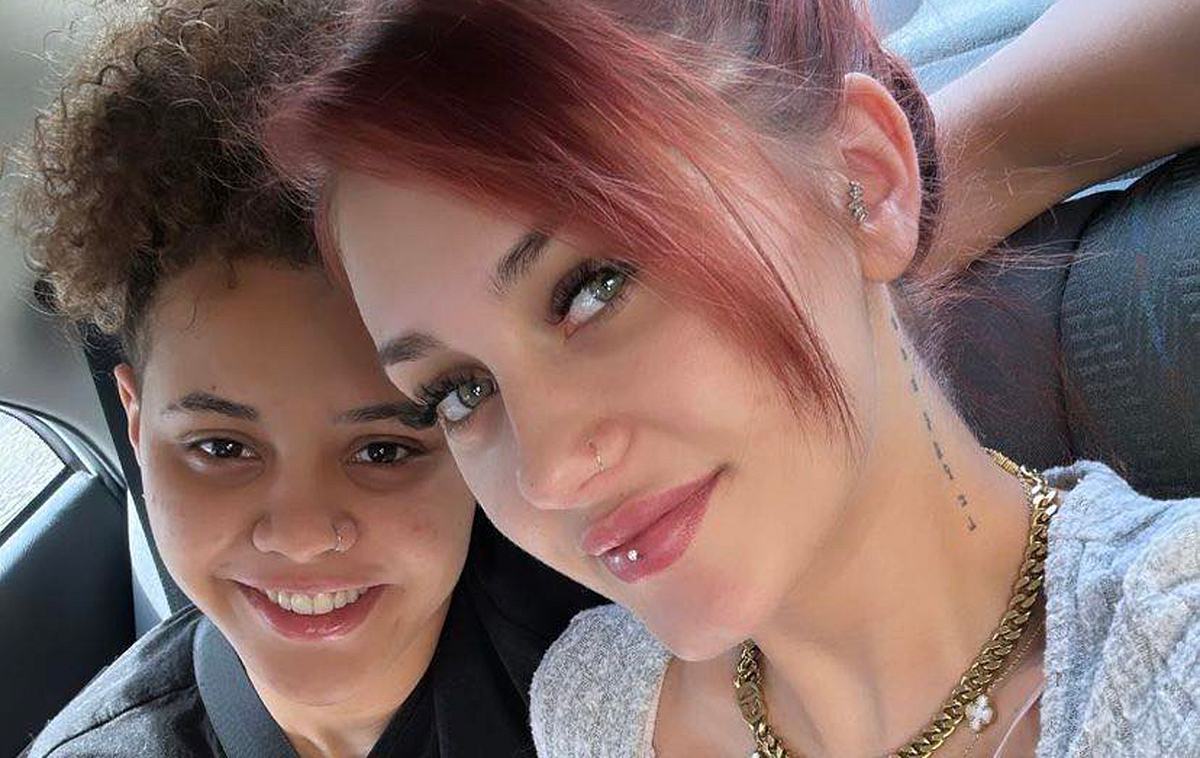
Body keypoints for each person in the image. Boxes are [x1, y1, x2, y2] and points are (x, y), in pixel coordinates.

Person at [264, 0, 1200, 755]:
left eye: (595, 288)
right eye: (460, 391)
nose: (548, 474)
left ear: (866, 180)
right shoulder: (593, 709)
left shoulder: (1173, 656)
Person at [13, 2, 594, 755]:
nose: (301, 537)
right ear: (135, 421)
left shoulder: (627, 649)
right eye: (221, 448)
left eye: (383, 450)